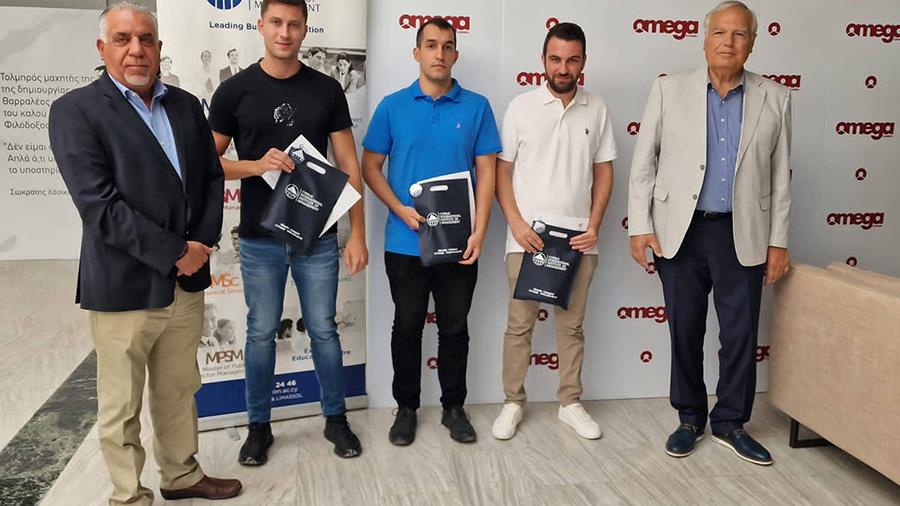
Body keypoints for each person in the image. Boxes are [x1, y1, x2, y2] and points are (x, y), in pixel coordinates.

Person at [48, 2, 241, 504]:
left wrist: (201, 244)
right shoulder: (75, 111)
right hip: (124, 284)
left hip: (186, 283)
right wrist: (176, 251)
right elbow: (99, 205)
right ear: (102, 48)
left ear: (159, 47)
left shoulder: (185, 105)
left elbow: (211, 178)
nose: (136, 49)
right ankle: (129, 495)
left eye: (146, 39)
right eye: (122, 38)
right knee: (121, 405)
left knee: (179, 389)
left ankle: (181, 476)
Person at [628, 0, 792, 466]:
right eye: (720, 32)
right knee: (684, 327)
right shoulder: (668, 89)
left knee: (740, 333)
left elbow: (781, 177)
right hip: (680, 232)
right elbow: (643, 165)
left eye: (739, 34)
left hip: (743, 231)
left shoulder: (776, 97)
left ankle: (731, 422)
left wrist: (778, 241)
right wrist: (640, 226)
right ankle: (689, 418)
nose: (728, 42)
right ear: (704, 39)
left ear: (752, 43)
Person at [208, 0, 368, 464]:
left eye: (293, 24)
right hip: (259, 238)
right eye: (276, 23)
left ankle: (336, 418)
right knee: (260, 332)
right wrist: (256, 165)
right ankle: (258, 426)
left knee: (323, 329)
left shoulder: (326, 89)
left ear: (304, 29)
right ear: (261, 26)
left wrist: (357, 232)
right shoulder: (234, 91)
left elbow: (348, 163)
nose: (284, 32)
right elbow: (208, 162)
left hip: (317, 235)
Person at [361, 17, 500, 446]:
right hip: (405, 242)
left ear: (455, 54)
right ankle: (406, 408)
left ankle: (453, 408)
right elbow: (370, 167)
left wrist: (480, 230)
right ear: (417, 52)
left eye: (447, 46)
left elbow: (488, 172)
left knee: (454, 328)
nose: (440, 53)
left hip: (459, 242)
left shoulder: (477, 107)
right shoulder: (392, 107)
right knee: (407, 326)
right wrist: (398, 207)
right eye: (432, 45)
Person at [491, 22, 616, 441]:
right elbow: (502, 172)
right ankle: (512, 402)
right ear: (543, 60)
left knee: (572, 327)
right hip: (526, 239)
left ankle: (570, 403)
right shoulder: (520, 108)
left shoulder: (597, 109)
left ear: (583, 62)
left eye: (572, 60)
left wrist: (595, 225)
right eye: (556, 59)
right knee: (518, 326)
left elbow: (604, 171)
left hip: (579, 241)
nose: (563, 68)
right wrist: (516, 223)